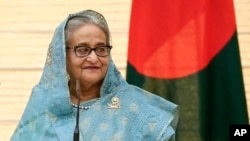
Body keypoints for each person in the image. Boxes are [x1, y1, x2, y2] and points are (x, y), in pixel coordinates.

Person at [11, 9, 179, 141]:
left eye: (101, 49)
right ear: (62, 55)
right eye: (82, 49)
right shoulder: (43, 104)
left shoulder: (136, 109)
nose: (93, 58)